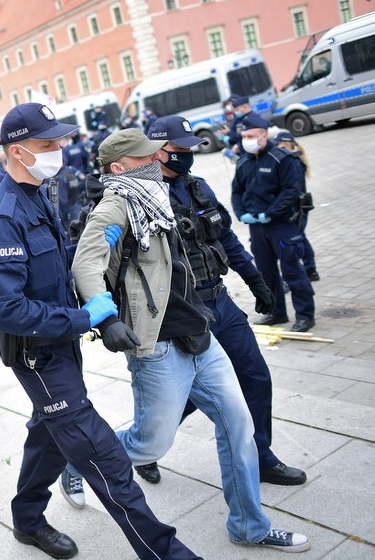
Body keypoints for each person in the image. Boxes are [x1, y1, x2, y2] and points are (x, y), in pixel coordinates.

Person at [0, 103, 200, 559]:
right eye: (46, 144)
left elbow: (45, 268)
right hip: (37, 355)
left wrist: (89, 244)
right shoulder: (1, 216)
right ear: (17, 151)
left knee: (49, 439)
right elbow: (6, 308)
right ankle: (166, 552)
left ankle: (27, 521)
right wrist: (85, 318)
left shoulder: (37, 194)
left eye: (58, 141)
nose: (57, 150)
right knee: (103, 456)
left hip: (60, 346)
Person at [71, 127, 310, 552]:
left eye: (155, 154)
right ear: (119, 168)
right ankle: (76, 460)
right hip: (158, 344)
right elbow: (85, 265)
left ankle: (248, 526)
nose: (156, 161)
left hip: (200, 332)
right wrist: (105, 319)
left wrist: (251, 281)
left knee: (238, 425)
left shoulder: (158, 195)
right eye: (145, 157)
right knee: (149, 444)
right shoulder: (115, 207)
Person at [123, 116, 305, 486]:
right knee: (180, 395)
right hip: (179, 311)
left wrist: (255, 279)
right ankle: (146, 448)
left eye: (190, 148)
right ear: (156, 150)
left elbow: (224, 237)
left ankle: (261, 457)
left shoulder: (197, 186)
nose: (187, 154)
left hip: (219, 301)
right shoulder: (136, 197)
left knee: (254, 375)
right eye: (179, 149)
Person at [231, 113, 315, 332]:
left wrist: (269, 213)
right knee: (266, 272)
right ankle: (276, 313)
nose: (246, 140)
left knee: (292, 271)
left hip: (281, 225)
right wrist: (241, 213)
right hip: (256, 227)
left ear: (264, 135)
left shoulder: (282, 158)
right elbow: (236, 191)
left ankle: (305, 315)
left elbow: (291, 191)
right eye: (244, 136)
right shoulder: (244, 162)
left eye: (251, 136)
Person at [271, 131, 319, 281]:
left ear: (285, 144)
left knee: (299, 237)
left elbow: (291, 187)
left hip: (298, 206)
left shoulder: (294, 161)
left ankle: (309, 270)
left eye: (278, 145)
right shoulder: (295, 159)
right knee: (300, 237)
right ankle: (310, 269)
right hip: (298, 204)